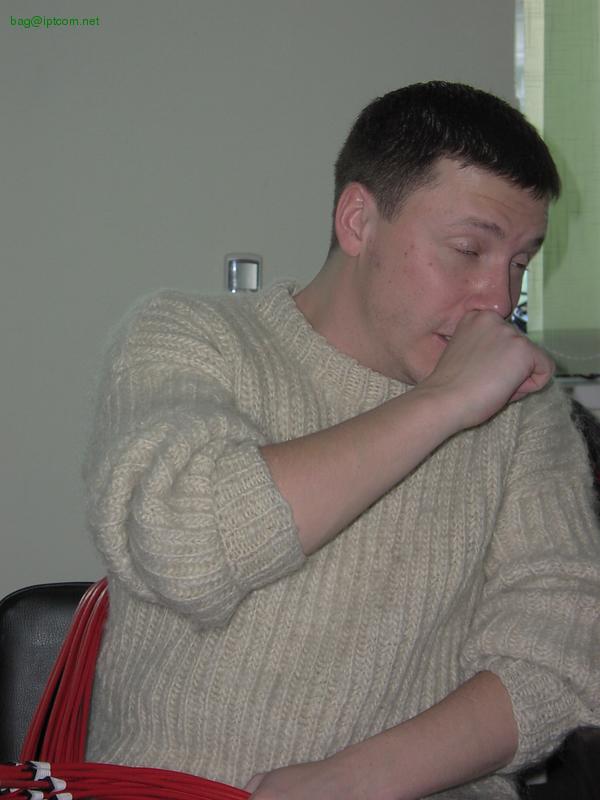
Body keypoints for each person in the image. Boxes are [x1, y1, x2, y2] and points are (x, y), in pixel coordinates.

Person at [84, 81, 600, 799]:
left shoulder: (523, 410)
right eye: (468, 250)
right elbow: (186, 543)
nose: (499, 300)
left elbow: (563, 653)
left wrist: (353, 781)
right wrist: (443, 403)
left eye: (520, 262)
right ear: (359, 221)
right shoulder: (190, 337)